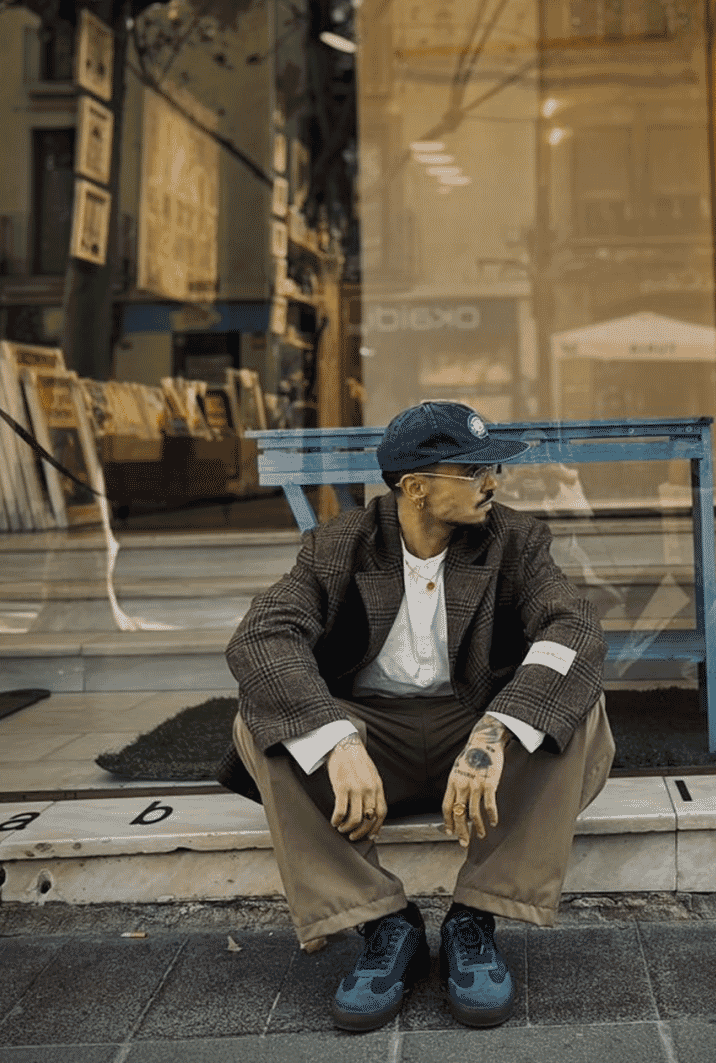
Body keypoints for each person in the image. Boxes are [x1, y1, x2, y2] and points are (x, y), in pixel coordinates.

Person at [217, 399, 616, 1033]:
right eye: (475, 470)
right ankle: (383, 923)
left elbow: (575, 629)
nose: (493, 483)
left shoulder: (516, 539)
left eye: (494, 470)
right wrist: (341, 742)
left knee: (579, 700)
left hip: (472, 731)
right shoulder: (336, 545)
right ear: (416, 487)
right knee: (262, 717)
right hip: (376, 746)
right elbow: (261, 639)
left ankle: (474, 917)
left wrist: (494, 731)